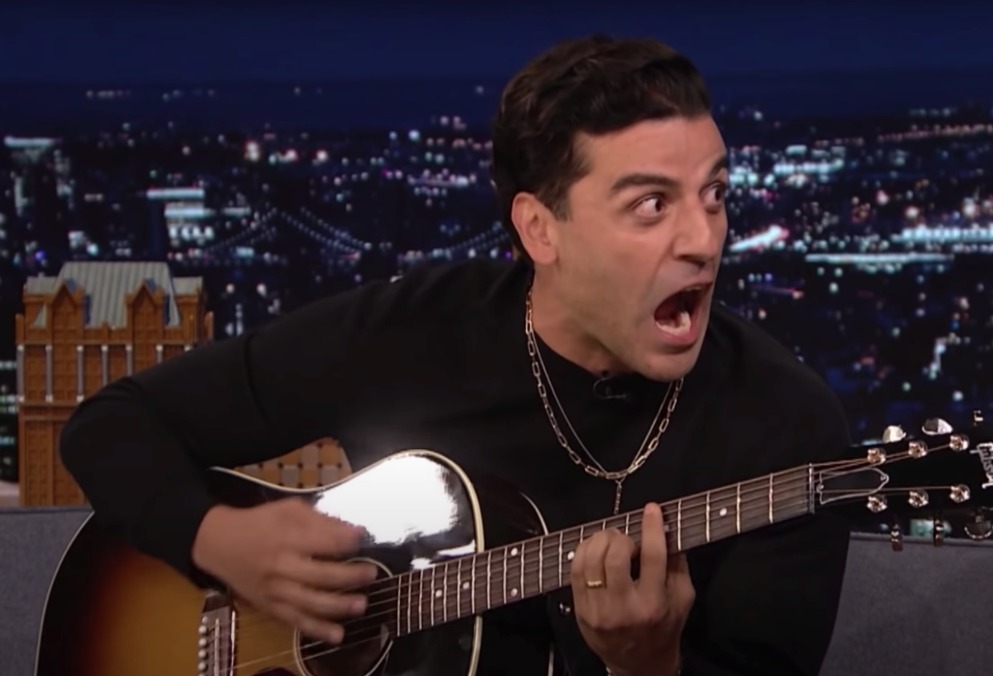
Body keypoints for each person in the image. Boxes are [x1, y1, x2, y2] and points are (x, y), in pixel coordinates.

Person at [59, 34, 852, 676]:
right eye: (652, 204)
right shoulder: (412, 329)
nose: (705, 239)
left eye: (715, 195)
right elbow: (112, 424)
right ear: (540, 230)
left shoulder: (787, 430)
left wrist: (645, 668)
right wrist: (215, 541)